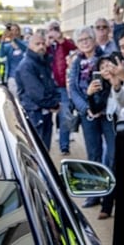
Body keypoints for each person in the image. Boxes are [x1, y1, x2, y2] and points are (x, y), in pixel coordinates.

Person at [69, 26, 119, 218]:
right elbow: (73, 88)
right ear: (77, 44)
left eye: (88, 38)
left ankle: (109, 198)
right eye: (81, 40)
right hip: (88, 113)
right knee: (94, 155)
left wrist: (100, 105)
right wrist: (86, 108)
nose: (85, 42)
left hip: (107, 113)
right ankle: (94, 194)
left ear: (94, 38)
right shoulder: (76, 62)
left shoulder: (105, 56)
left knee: (113, 155)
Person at [15, 32, 59, 148]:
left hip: (45, 114)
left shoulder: (43, 62)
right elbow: (36, 93)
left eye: (43, 43)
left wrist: (55, 101)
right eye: (37, 44)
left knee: (45, 151)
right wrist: (54, 104)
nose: (41, 46)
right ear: (29, 46)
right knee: (37, 153)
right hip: (34, 114)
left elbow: (51, 85)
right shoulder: (27, 65)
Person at [47, 20, 79, 155]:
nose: (54, 31)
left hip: (63, 86)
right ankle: (44, 146)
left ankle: (64, 145)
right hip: (48, 86)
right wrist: (48, 42)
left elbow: (74, 49)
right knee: (46, 118)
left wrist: (60, 40)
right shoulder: (46, 45)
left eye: (56, 28)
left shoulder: (65, 43)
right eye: (52, 29)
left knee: (65, 115)